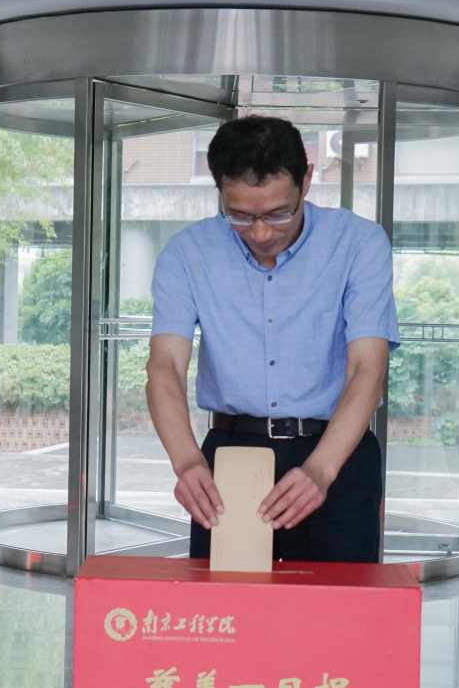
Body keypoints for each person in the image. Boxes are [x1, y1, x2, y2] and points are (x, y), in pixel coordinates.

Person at [146, 115, 399, 563]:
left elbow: (367, 368)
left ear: (307, 180)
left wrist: (321, 469)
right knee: (229, 602)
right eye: (240, 216)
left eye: (279, 213)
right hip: (232, 457)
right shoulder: (187, 253)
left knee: (339, 602)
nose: (261, 233)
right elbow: (164, 366)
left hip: (337, 454)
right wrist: (186, 461)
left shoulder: (359, 244)